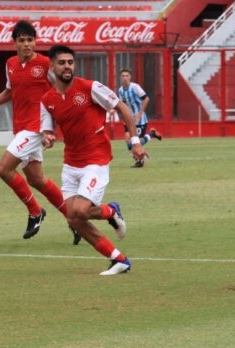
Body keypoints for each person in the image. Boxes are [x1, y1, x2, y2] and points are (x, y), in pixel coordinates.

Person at [40, 44, 145, 275]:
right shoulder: (47, 100)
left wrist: (135, 142)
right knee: (73, 219)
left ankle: (110, 212)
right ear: (52, 66)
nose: (67, 67)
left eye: (70, 62)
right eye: (62, 63)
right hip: (71, 164)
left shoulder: (90, 87)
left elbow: (122, 108)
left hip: (95, 160)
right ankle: (119, 258)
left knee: (79, 211)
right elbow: (47, 130)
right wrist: (47, 138)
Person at [0, 20, 79, 244]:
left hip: (36, 128)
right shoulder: (10, 63)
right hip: (20, 128)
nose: (27, 44)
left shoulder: (45, 64)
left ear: (35, 41)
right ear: (15, 43)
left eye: (30, 39)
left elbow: (62, 90)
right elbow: (8, 92)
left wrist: (54, 127)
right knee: (37, 179)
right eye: (22, 40)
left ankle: (35, 211)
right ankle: (74, 220)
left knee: (3, 169)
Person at [117, 68, 161, 168]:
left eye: (127, 76)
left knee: (136, 141)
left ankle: (140, 161)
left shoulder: (135, 87)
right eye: (123, 76)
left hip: (139, 120)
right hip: (129, 119)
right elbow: (121, 104)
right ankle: (151, 136)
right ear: (120, 77)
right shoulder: (120, 90)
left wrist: (140, 113)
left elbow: (146, 99)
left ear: (130, 77)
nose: (125, 78)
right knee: (128, 140)